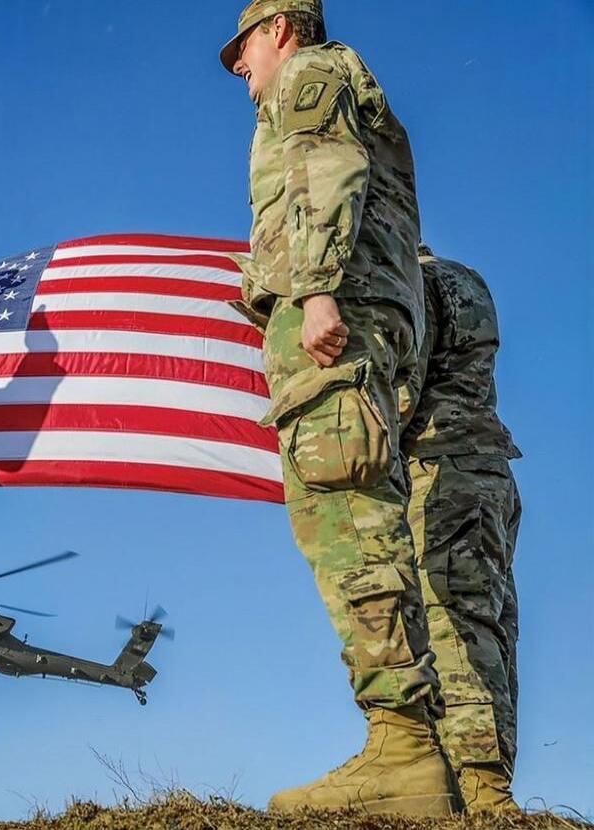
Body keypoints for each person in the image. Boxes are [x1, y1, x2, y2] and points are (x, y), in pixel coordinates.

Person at [220, 1, 456, 815]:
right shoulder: (352, 85)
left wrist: (314, 290)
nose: (240, 67)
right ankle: (415, 744)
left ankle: (404, 749)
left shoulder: (309, 74)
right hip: (374, 316)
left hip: (336, 315)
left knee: (347, 513)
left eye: (243, 47)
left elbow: (327, 169)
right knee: (361, 505)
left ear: (279, 28)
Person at [402, 245, 523, 812]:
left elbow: (405, 388)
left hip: (442, 467)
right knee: (490, 624)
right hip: (488, 470)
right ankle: (487, 779)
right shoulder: (467, 277)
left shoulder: (412, 285)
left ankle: (479, 785)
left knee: (448, 618)